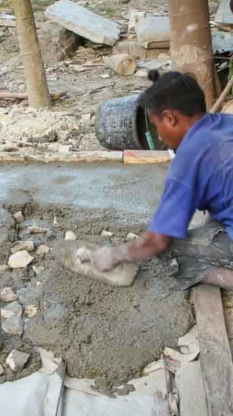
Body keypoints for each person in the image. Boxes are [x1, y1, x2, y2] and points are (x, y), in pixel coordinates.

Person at [80, 70, 233, 291]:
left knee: (169, 249)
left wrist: (113, 255)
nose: (159, 137)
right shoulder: (226, 123)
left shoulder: (189, 160)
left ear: (170, 118)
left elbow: (157, 241)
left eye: (157, 125)